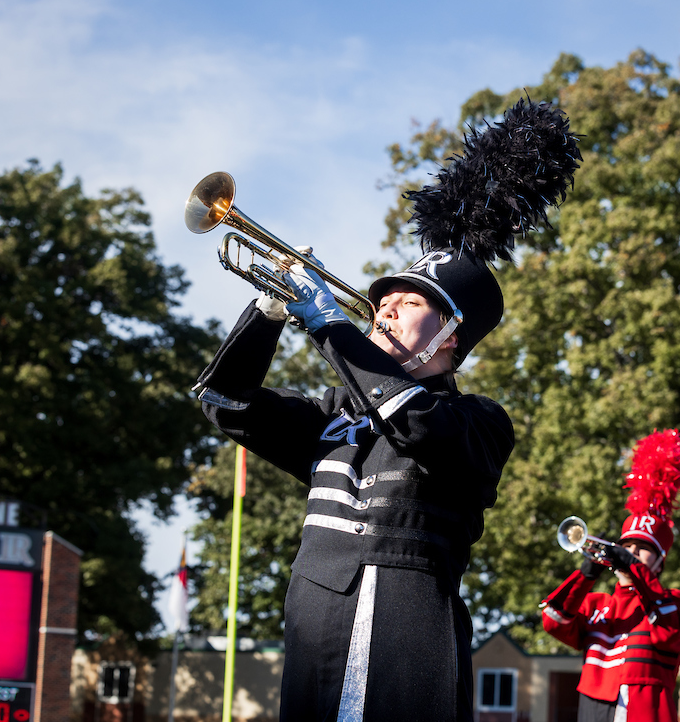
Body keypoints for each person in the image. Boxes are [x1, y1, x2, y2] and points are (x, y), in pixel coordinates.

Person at [194, 249, 513, 722]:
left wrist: (329, 324)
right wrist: (267, 313)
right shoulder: (333, 410)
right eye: (384, 300)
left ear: (450, 335)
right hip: (315, 618)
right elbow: (224, 402)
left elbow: (412, 420)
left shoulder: (480, 420)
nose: (385, 309)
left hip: (407, 632)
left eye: (411, 303)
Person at [541, 431, 680, 722]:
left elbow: (668, 630)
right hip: (594, 707)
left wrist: (634, 569)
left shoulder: (676, 603)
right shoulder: (596, 603)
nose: (633, 554)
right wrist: (585, 575)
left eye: (643, 550)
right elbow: (554, 621)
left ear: (659, 563)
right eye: (627, 547)